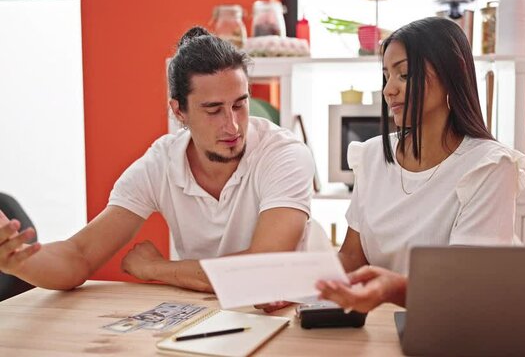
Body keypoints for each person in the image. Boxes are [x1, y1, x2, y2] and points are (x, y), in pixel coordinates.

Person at [0, 27, 315, 294]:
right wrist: (20, 260)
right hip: (199, 319)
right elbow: (78, 256)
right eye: (213, 109)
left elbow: (267, 270)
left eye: (240, 104)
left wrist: (156, 268)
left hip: (282, 314)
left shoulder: (284, 154)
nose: (232, 125)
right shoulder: (161, 163)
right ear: (179, 111)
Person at [316, 17, 525, 312]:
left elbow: (465, 284)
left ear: (451, 73)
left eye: (404, 74)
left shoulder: (489, 166)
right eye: (386, 76)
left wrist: (391, 289)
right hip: (378, 328)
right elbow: (352, 258)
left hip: (453, 330)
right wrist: (305, 286)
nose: (389, 89)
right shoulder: (373, 155)